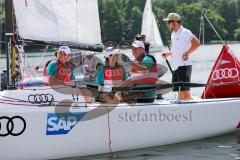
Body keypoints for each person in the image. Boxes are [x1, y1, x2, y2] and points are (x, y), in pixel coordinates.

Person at [161, 13, 200, 100]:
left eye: (168, 22)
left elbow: (197, 43)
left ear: (174, 22)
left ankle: (190, 107)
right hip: (176, 66)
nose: (167, 24)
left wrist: (187, 53)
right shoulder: (173, 34)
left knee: (184, 91)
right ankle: (183, 107)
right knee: (179, 90)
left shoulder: (185, 32)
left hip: (184, 65)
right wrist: (168, 53)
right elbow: (177, 50)